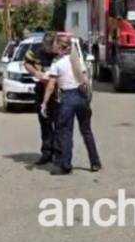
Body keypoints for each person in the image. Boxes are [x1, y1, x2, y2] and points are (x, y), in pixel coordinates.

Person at [42, 35, 102, 175]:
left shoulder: (57, 64)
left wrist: (44, 103)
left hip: (67, 99)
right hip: (81, 97)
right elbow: (86, 80)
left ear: (59, 47)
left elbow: (51, 86)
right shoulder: (76, 60)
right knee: (86, 131)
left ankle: (66, 165)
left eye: (55, 45)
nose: (54, 48)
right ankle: (95, 162)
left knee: (66, 133)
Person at [24, 32, 61, 165]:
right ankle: (46, 153)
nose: (48, 50)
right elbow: (27, 63)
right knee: (44, 123)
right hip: (41, 90)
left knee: (58, 124)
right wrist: (36, 73)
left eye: (50, 47)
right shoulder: (36, 50)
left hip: (57, 93)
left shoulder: (61, 53)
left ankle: (58, 153)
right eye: (46, 47)